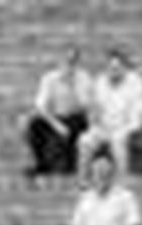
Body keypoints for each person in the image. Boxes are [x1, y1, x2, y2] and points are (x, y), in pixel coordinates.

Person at [25, 48, 94, 176]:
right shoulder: (49, 78)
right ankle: (41, 164)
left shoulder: (84, 78)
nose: (69, 66)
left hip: (75, 118)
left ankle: (67, 165)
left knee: (77, 125)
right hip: (55, 118)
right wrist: (56, 125)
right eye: (66, 61)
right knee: (34, 125)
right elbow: (41, 106)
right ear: (59, 62)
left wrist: (73, 86)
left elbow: (86, 105)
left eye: (72, 62)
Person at [78, 49, 142, 177]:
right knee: (84, 140)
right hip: (103, 128)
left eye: (116, 68)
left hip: (125, 127)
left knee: (117, 140)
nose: (113, 71)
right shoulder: (100, 82)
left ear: (124, 68)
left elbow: (137, 117)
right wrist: (94, 119)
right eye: (110, 68)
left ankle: (122, 180)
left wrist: (123, 129)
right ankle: (84, 180)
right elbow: (94, 113)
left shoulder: (136, 83)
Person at [69, 148, 142, 225]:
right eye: (98, 172)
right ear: (91, 174)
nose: (102, 175)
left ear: (112, 173)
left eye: (105, 172)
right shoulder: (85, 198)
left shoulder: (126, 197)